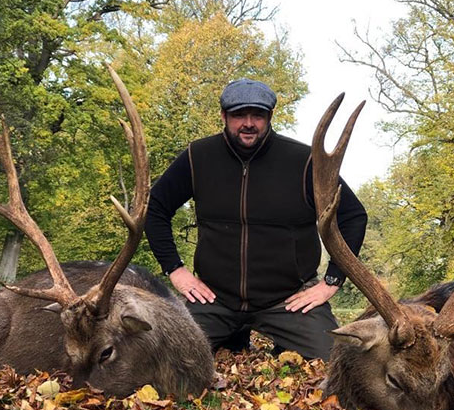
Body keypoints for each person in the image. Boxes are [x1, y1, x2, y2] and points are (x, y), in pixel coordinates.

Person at [144, 78, 367, 360]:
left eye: (257, 115)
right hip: (215, 299)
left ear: (269, 116)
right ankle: (233, 336)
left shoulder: (304, 161)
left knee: (334, 362)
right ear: (224, 116)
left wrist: (332, 281)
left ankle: (280, 339)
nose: (248, 123)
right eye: (239, 115)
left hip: (289, 301)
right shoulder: (198, 157)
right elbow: (155, 208)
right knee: (162, 357)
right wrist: (175, 269)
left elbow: (353, 215)